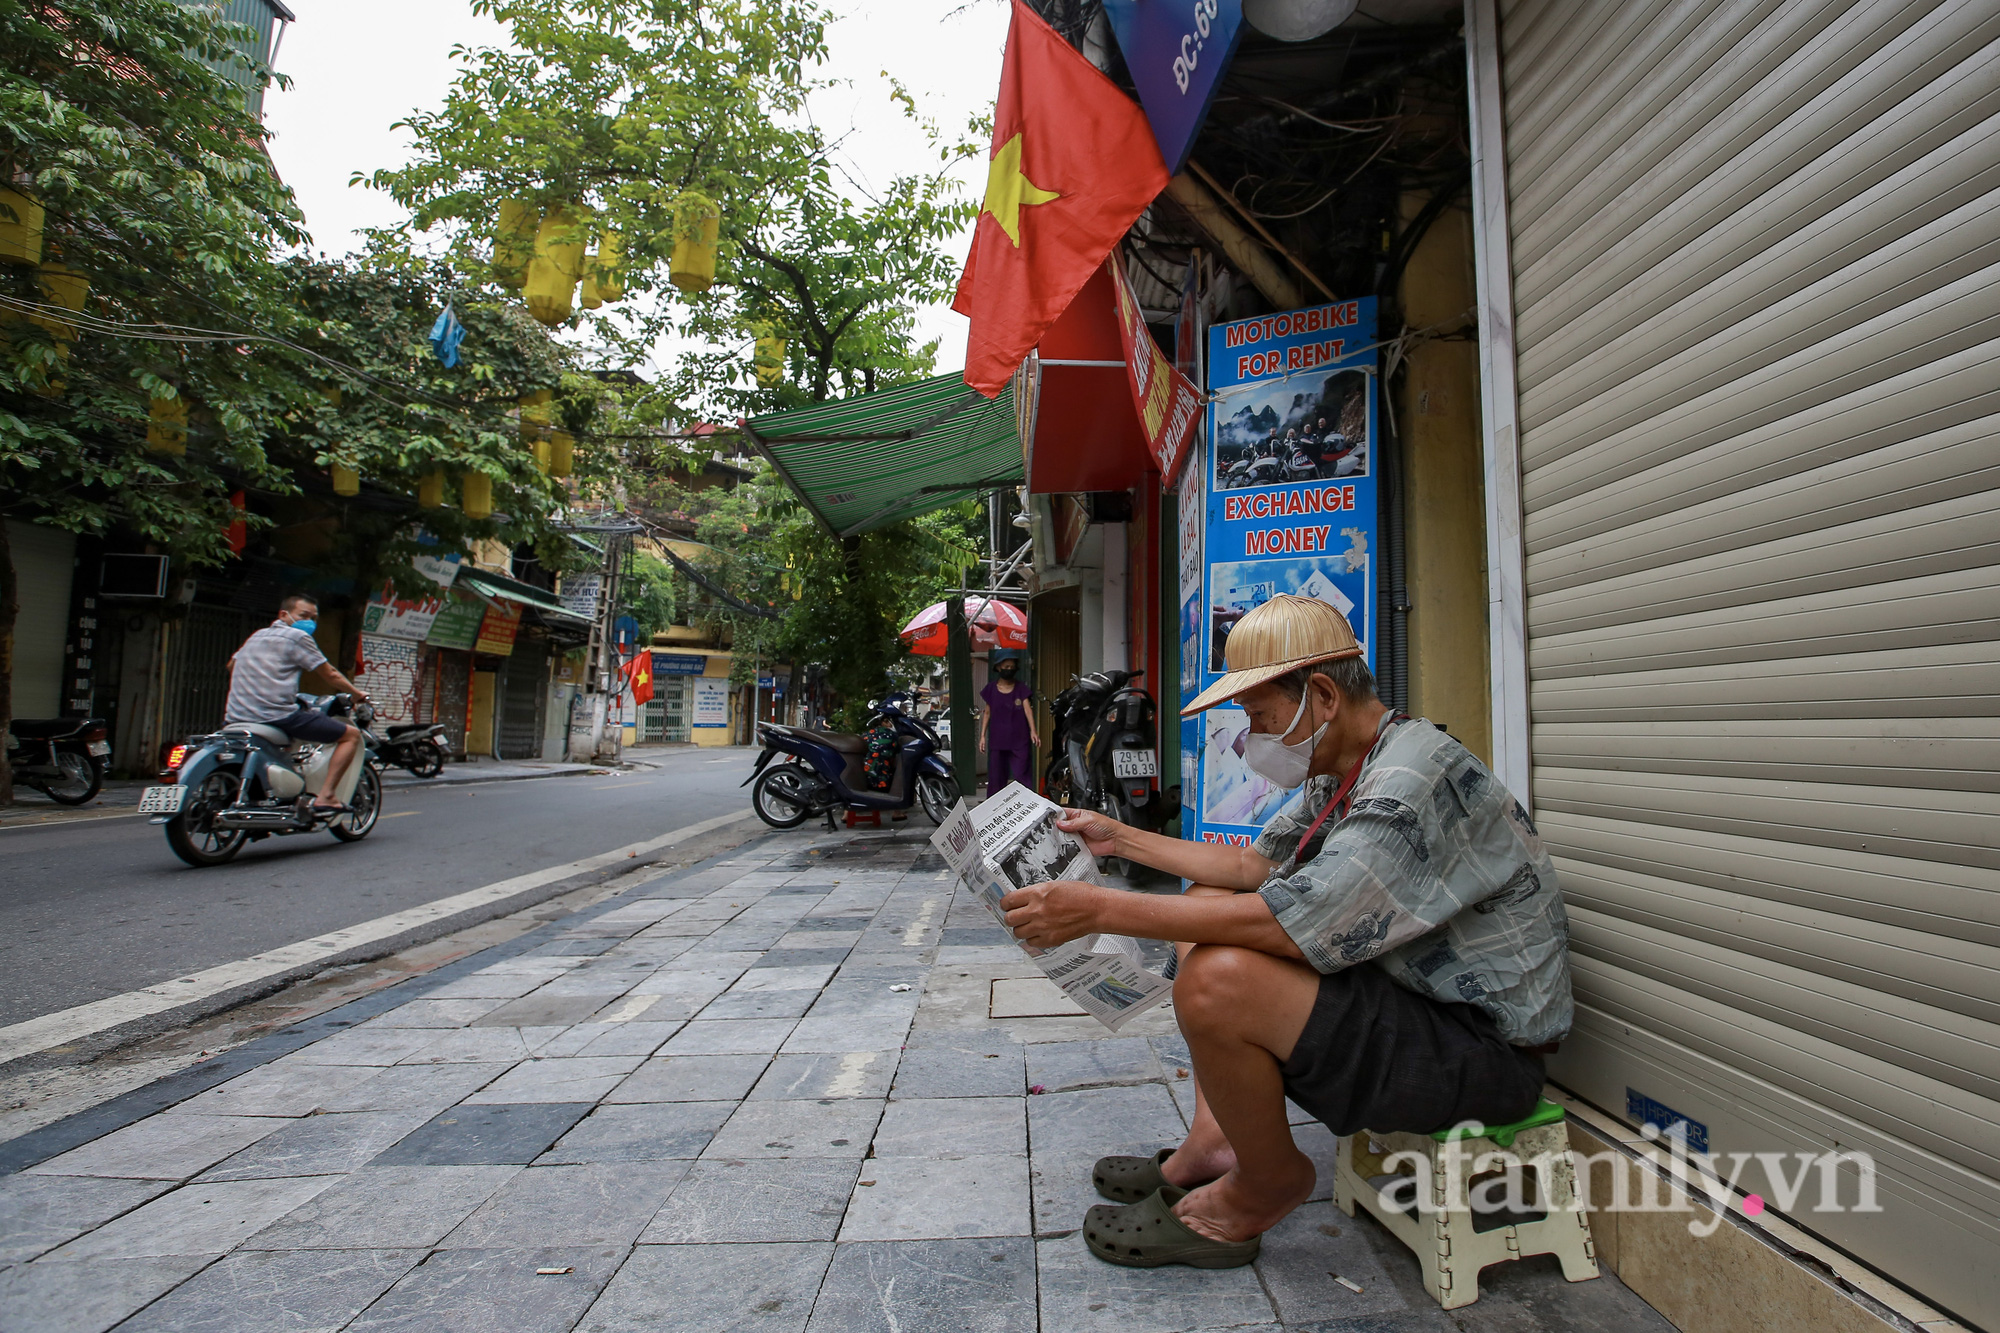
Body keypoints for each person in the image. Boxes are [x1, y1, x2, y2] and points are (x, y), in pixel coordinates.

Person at [998, 594, 1572, 1270]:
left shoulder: (1403, 783)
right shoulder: (1351, 762)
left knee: (1218, 982)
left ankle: (1264, 1186)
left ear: (1322, 694)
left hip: (1481, 1055)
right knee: (1212, 898)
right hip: (1416, 1007)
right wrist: (1118, 836)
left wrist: (1097, 908)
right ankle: (1216, 1141)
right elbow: (1252, 866)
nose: (1253, 735)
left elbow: (1287, 923)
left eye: (1260, 714)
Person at [225, 594, 370, 812]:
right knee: (350, 735)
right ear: (284, 615)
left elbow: (231, 666)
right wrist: (356, 693)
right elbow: (329, 674)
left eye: (314, 618)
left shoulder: (257, 636)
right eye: (304, 615)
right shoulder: (296, 637)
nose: (310, 622)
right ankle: (327, 795)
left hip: (236, 717)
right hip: (277, 716)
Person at [978, 652, 1038, 796]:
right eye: (1006, 666)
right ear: (998, 668)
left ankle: (1027, 804)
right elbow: (987, 713)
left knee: (1022, 775)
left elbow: (1028, 710)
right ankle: (994, 809)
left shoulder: (1021, 688)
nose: (1009, 669)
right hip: (998, 741)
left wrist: (1033, 731)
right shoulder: (991, 689)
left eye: (1012, 666)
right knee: (996, 779)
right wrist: (982, 736)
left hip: (1020, 740)